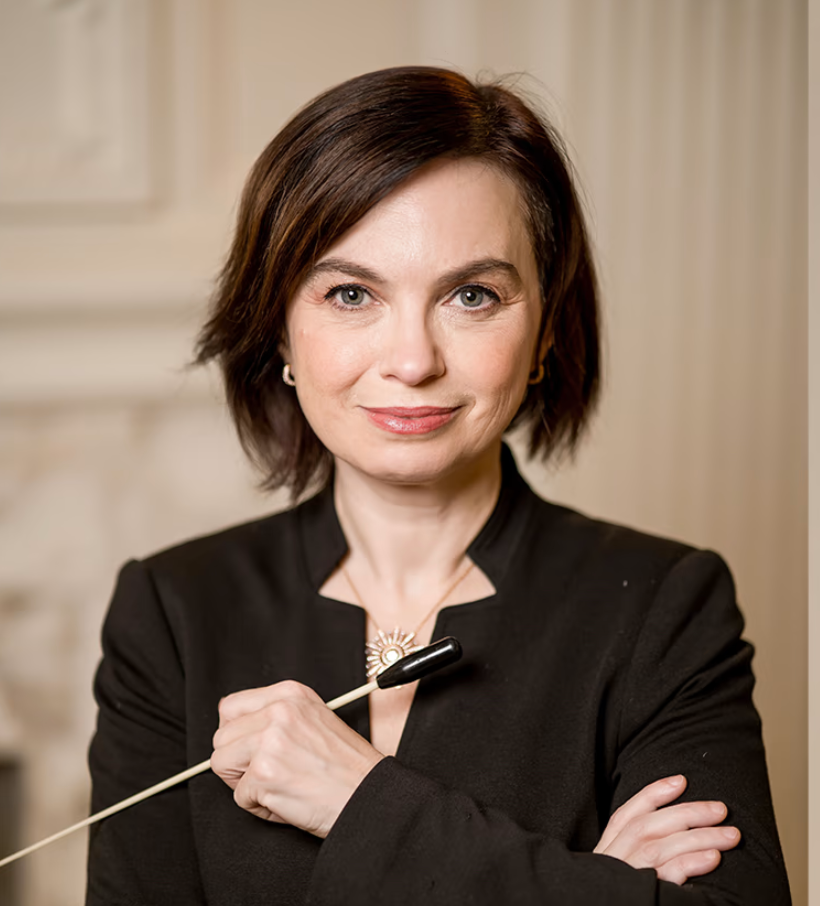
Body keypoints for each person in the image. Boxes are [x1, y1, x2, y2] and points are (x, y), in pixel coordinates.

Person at [85, 66, 790, 905]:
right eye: (351, 293)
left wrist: (358, 801)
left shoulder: (665, 606)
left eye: (471, 295)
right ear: (279, 325)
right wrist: (587, 884)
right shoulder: (172, 612)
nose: (413, 360)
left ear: (545, 334)